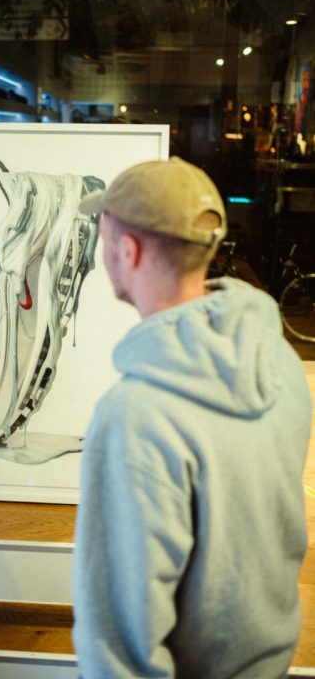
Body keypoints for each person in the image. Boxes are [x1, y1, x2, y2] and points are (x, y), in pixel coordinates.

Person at [73, 157, 312, 679]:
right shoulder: (278, 362)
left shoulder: (135, 414)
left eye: (104, 234)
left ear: (127, 251)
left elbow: (118, 641)